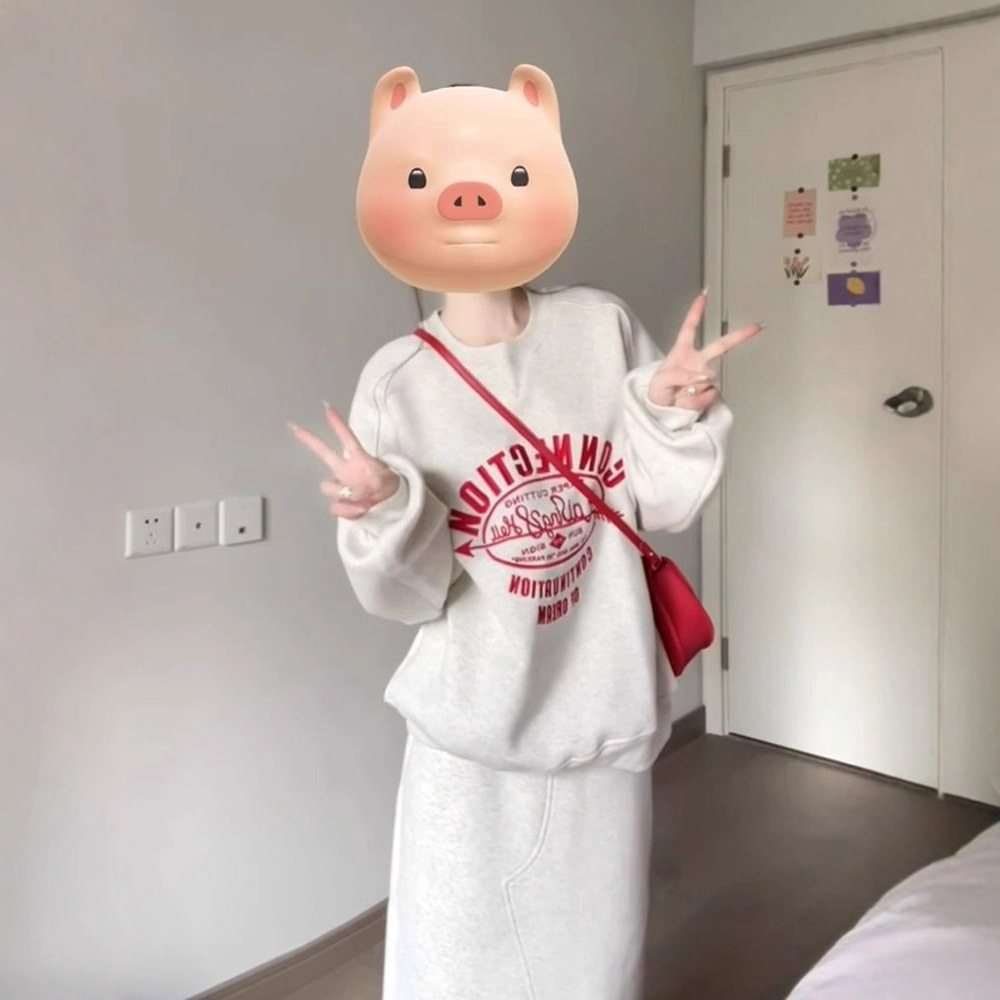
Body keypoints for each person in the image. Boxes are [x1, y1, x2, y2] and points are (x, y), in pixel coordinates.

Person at [291, 64, 761, 1000]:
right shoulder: (397, 380)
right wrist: (385, 511)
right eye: (427, 178)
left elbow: (661, 503)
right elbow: (411, 594)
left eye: (507, 173)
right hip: (472, 735)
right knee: (454, 965)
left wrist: (670, 413)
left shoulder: (599, 328)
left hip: (602, 712)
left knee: (596, 962)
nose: (468, 199)